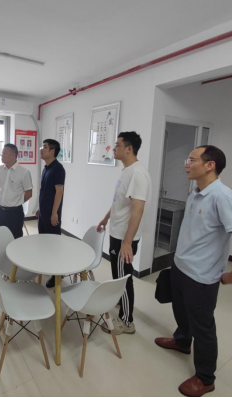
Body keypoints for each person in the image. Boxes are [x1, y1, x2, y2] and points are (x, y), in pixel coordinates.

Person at [155, 146, 232, 398]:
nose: (186, 164)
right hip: (181, 267)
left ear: (210, 165)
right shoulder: (196, 192)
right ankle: (182, 341)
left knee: (203, 327)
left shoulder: (222, 196)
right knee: (181, 311)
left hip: (201, 277)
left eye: (191, 159)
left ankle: (205, 378)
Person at [98, 132, 151, 335]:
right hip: (118, 233)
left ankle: (127, 321)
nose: (114, 148)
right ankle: (122, 301)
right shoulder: (127, 171)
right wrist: (106, 218)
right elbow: (119, 203)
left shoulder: (137, 174)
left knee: (123, 278)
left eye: (117, 145)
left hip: (123, 238)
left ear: (129, 148)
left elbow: (138, 209)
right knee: (118, 274)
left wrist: (127, 242)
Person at [35, 139, 66, 289]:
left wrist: (54, 213)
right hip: (43, 214)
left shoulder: (58, 169)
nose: (41, 149)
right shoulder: (46, 168)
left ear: (52, 151)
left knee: (54, 246)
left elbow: (59, 192)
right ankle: (48, 267)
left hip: (51, 215)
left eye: (45, 147)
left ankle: (57, 275)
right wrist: (40, 208)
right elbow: (45, 191)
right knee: (44, 243)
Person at [0, 144, 33, 239]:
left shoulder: (24, 172)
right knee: (0, 238)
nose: (2, 155)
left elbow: (29, 193)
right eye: (2, 152)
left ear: (13, 155)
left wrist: (15, 201)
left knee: (15, 238)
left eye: (5, 153)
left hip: (14, 213)